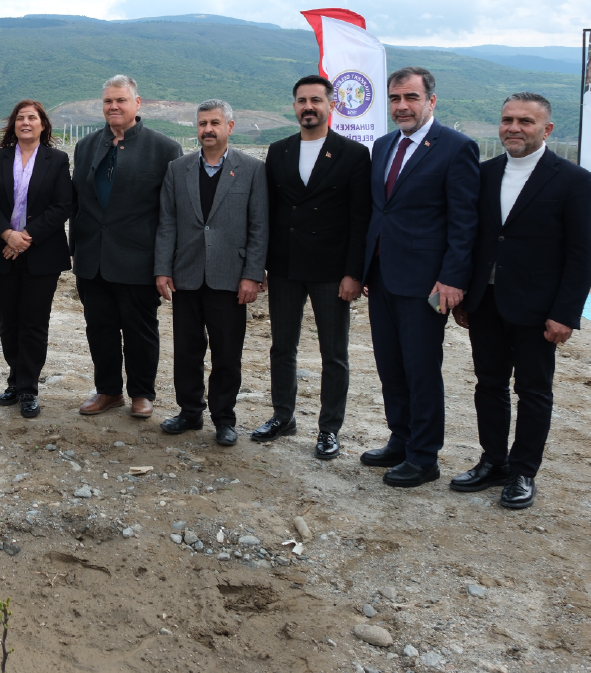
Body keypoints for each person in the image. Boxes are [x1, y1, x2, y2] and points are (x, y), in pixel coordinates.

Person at [451, 93, 591, 509]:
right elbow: (474, 238)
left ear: (546, 129)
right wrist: (465, 294)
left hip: (538, 307)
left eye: (525, 122)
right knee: (489, 385)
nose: (514, 128)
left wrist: (565, 313)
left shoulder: (574, 180)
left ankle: (523, 471)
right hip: (486, 301)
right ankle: (493, 461)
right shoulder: (484, 173)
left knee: (533, 391)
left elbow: (581, 254)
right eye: (507, 120)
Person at [360, 67, 479, 488]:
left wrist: (452, 279)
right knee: (390, 366)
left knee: (421, 369)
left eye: (411, 97)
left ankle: (424, 456)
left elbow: (464, 222)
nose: (402, 106)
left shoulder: (456, 147)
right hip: (382, 276)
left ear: (431, 100)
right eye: (395, 98)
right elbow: (381, 211)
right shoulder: (383, 145)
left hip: (427, 284)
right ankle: (401, 439)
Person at [252, 75, 371, 458]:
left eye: (316, 100)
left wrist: (354, 273)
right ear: (294, 107)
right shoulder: (279, 151)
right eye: (302, 100)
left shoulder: (353, 154)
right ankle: (282, 417)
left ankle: (329, 429)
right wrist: (261, 265)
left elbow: (360, 219)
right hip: (285, 266)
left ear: (331, 105)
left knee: (333, 353)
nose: (309, 107)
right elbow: (268, 213)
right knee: (281, 348)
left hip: (331, 271)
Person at [154, 100, 267, 445]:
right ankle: (190, 412)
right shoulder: (178, 169)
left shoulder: (252, 169)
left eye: (215, 123)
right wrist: (162, 269)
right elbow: (167, 223)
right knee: (187, 350)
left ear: (229, 127)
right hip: (186, 273)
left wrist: (252, 274)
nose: (208, 129)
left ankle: (224, 419)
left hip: (230, 276)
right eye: (203, 123)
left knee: (227, 353)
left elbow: (259, 226)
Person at [71, 75, 182, 419]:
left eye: (120, 100)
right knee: (99, 328)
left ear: (137, 103)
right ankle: (108, 391)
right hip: (93, 257)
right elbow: (78, 202)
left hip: (138, 259)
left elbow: (170, 213)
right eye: (108, 101)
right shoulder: (86, 146)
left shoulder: (164, 149)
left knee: (140, 331)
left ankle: (142, 393)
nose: (114, 106)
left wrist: (165, 264)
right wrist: (75, 249)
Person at [0, 100, 72, 418]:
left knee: (34, 323)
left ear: (43, 125)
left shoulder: (57, 160)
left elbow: (62, 205)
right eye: (20, 118)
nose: (26, 122)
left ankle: (28, 388)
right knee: (9, 322)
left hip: (41, 254)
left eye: (32, 117)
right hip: (2, 251)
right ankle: (15, 381)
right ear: (14, 124)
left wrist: (24, 237)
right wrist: (7, 235)